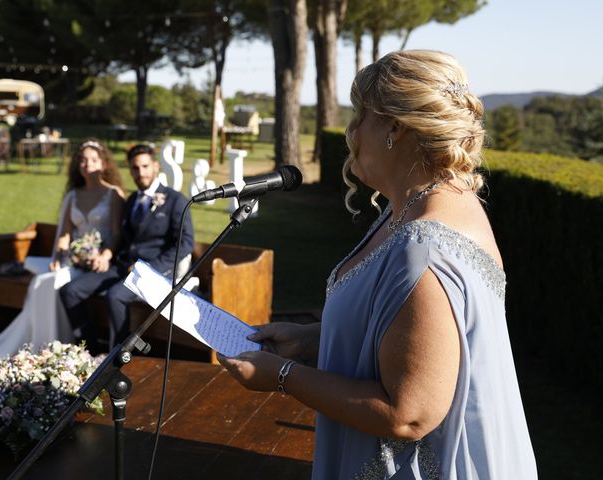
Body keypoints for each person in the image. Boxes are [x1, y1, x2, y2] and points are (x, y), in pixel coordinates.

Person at [217, 50, 537, 479]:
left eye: (359, 115)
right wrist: (313, 338)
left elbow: (408, 413)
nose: (351, 132)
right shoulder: (415, 207)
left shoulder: (426, 244)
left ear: (395, 127)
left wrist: (282, 375)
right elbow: (408, 331)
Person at [0, 138, 124, 383]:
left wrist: (103, 254)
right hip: (74, 260)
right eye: (82, 160)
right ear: (77, 165)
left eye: (93, 160)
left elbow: (116, 234)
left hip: (100, 263)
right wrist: (59, 256)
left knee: (52, 285)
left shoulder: (113, 195)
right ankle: (45, 346)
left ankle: (69, 344)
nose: (87, 165)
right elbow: (64, 235)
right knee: (44, 282)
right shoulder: (73, 195)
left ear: (103, 164)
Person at [60, 143, 194, 348]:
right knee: (70, 291)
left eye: (145, 166)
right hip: (122, 266)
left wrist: (150, 268)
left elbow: (185, 243)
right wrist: (102, 256)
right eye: (135, 168)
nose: (141, 172)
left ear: (156, 167)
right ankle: (90, 348)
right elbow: (122, 237)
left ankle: (120, 356)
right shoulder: (132, 200)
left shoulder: (175, 200)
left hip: (153, 271)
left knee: (115, 296)